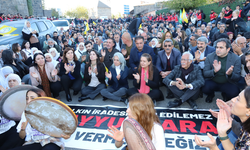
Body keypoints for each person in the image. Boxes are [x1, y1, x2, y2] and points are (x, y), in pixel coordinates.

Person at [203, 38, 241, 103]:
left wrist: (230, 74)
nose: (218, 50)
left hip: (227, 82)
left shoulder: (236, 58)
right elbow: (205, 73)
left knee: (234, 92)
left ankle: (225, 95)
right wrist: (214, 71)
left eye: (221, 48)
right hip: (213, 81)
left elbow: (237, 77)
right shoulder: (210, 56)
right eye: (217, 47)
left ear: (228, 49)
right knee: (204, 87)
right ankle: (211, 94)